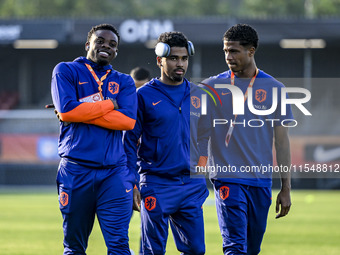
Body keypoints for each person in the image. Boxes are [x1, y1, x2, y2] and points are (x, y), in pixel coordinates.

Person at [201, 24, 293, 254]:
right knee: (234, 246)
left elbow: (282, 142)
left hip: (260, 182)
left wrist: (286, 188)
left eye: (234, 51)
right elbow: (197, 135)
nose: (228, 57)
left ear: (251, 51)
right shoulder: (211, 87)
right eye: (225, 51)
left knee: (252, 249)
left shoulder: (275, 89)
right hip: (227, 179)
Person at [50, 23, 137, 255]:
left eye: (112, 45)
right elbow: (68, 111)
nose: (106, 47)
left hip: (114, 174)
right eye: (100, 41)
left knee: (119, 245)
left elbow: (127, 122)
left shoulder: (125, 81)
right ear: (88, 44)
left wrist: (82, 112)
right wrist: (110, 104)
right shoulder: (65, 70)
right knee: (74, 247)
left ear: (116, 51)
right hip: (76, 170)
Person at [124, 31, 209, 255]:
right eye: (173, 58)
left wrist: (201, 165)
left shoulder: (198, 94)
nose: (180, 64)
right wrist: (132, 182)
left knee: (196, 251)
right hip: (156, 183)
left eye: (184, 58)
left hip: (190, 186)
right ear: (160, 60)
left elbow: (205, 136)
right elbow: (130, 141)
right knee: (153, 251)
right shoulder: (143, 95)